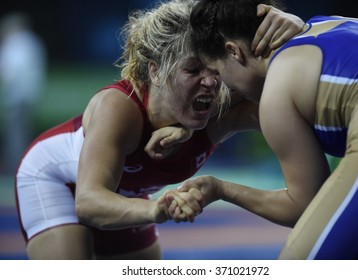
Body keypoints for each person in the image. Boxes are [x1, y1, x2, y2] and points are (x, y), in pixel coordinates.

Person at [14, 0, 304, 259]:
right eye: (192, 71)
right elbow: (89, 202)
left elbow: (297, 96)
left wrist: (296, 32)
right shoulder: (119, 108)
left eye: (214, 70)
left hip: (122, 192)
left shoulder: (221, 106)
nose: (210, 83)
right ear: (154, 71)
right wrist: (157, 209)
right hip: (55, 179)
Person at [167, 0, 358, 259]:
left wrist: (221, 189)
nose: (225, 86)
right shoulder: (335, 23)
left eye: (218, 71)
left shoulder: (278, 88)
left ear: (234, 51)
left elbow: (303, 205)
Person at [0, 13, 47, 175]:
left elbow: (11, 70)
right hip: (31, 94)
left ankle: (17, 167)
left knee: (16, 134)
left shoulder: (16, 44)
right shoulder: (33, 42)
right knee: (24, 131)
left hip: (18, 95)